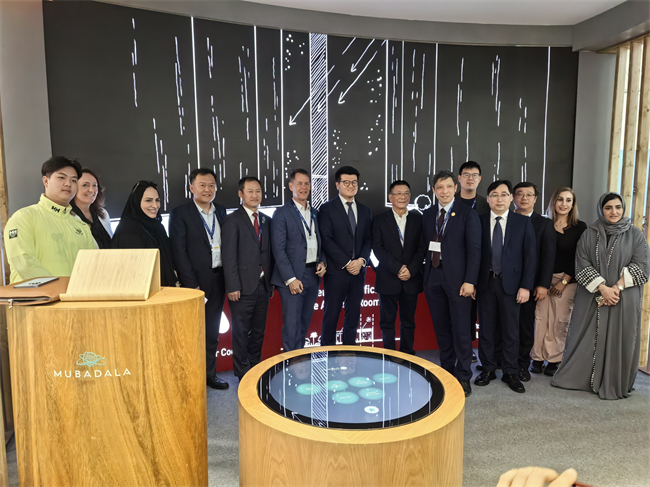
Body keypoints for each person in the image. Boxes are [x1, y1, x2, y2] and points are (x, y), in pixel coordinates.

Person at [552, 193, 649, 400]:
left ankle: (615, 381)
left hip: (624, 297)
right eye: (608, 208)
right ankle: (583, 378)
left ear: (623, 209)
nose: (614, 212)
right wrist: (603, 288)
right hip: (593, 295)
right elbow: (581, 263)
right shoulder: (589, 234)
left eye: (618, 207)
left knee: (621, 336)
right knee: (587, 335)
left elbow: (641, 266)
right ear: (601, 210)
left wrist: (616, 289)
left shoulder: (635, 234)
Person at [169, 168, 229, 390]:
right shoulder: (180, 213)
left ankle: (209, 374)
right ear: (191, 187)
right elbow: (179, 252)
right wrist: (191, 284)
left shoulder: (221, 211)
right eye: (202, 185)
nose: (207, 189)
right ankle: (190, 377)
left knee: (212, 331)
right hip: (194, 283)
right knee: (192, 332)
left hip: (219, 278)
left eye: (211, 185)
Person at [422, 170, 481, 397]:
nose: (444, 191)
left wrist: (470, 281)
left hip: (459, 281)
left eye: (448, 186)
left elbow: (475, 251)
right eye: (439, 187)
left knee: (461, 329)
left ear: (455, 188)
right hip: (433, 278)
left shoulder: (467, 214)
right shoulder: (428, 214)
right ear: (434, 190)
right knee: (442, 329)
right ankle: (447, 371)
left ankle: (464, 375)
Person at [475, 180, 536, 393]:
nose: (499, 199)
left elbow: (530, 257)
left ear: (511, 198)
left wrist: (526, 286)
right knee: (486, 328)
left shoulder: (522, 222)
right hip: (486, 283)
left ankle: (511, 371)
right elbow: (473, 254)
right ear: (488, 199)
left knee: (511, 330)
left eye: (503, 195)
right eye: (494, 195)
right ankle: (488, 369)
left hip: (513, 285)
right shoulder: (479, 221)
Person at [4, 157, 96, 283]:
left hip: (74, 294)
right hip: (36, 295)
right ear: (46, 181)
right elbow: (24, 263)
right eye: (61, 177)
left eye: (74, 180)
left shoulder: (80, 225)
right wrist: (60, 287)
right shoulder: (24, 217)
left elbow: (94, 263)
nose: (68, 184)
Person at [222, 176, 274, 379]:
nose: (254, 195)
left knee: (258, 331)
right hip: (242, 287)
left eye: (258, 191)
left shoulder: (266, 221)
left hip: (263, 285)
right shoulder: (232, 220)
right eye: (250, 191)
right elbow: (228, 256)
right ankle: (242, 372)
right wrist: (232, 286)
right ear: (240, 194)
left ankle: (255, 367)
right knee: (241, 332)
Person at [531, 188, 587, 376]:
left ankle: (554, 359)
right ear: (553, 202)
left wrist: (563, 281)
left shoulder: (580, 227)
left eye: (568, 200)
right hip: (542, 280)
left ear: (573, 204)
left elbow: (580, 257)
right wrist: (541, 282)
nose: (564, 204)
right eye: (560, 199)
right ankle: (537, 358)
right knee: (540, 319)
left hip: (567, 280)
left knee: (559, 321)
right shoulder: (543, 224)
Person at [271, 169, 327, 352]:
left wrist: (322, 261)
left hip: (313, 274)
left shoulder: (315, 213)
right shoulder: (281, 213)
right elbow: (278, 250)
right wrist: (290, 279)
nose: (304, 187)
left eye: (307, 183)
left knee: (304, 323)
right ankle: (290, 362)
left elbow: (320, 242)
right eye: (299, 183)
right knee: (292, 326)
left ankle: (299, 359)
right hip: (292, 276)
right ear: (291, 186)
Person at [318, 166, 372, 346]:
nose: (351, 185)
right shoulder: (327, 209)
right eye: (346, 182)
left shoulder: (365, 210)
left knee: (354, 315)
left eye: (354, 182)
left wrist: (361, 261)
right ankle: (328, 353)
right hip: (336, 272)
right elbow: (326, 239)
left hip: (358, 272)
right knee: (331, 315)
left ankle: (350, 351)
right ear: (337, 184)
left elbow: (368, 239)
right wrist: (348, 262)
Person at [372, 180, 426, 356]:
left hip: (411, 278)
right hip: (388, 278)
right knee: (387, 322)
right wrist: (397, 268)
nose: (403, 197)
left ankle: (407, 354)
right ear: (391, 197)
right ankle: (389, 355)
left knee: (408, 322)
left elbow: (422, 248)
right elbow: (378, 249)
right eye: (398, 193)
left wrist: (411, 269)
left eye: (406, 193)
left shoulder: (418, 219)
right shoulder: (379, 220)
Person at [512, 182, 556, 381]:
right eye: (520, 194)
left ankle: (522, 364)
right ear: (513, 197)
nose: (524, 198)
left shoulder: (544, 224)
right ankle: (500, 360)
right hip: (504, 282)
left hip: (530, 284)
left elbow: (548, 257)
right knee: (503, 324)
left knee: (525, 325)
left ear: (535, 199)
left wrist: (542, 284)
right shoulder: (505, 218)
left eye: (529, 195)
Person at [111, 181, 177, 287]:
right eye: (148, 200)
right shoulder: (128, 231)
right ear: (136, 202)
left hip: (163, 290)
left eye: (157, 200)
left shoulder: (157, 226)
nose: (155, 205)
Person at [455, 160, 490, 361]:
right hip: (456, 268)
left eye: (474, 175)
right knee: (460, 313)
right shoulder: (449, 201)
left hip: (482, 266)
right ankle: (462, 350)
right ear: (459, 178)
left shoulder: (487, 204)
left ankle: (478, 352)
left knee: (481, 312)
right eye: (466, 175)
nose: (470, 178)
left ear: (480, 179)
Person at [70, 168, 113, 249]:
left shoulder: (103, 213)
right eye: (85, 185)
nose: (91, 190)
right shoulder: (68, 217)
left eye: (94, 185)